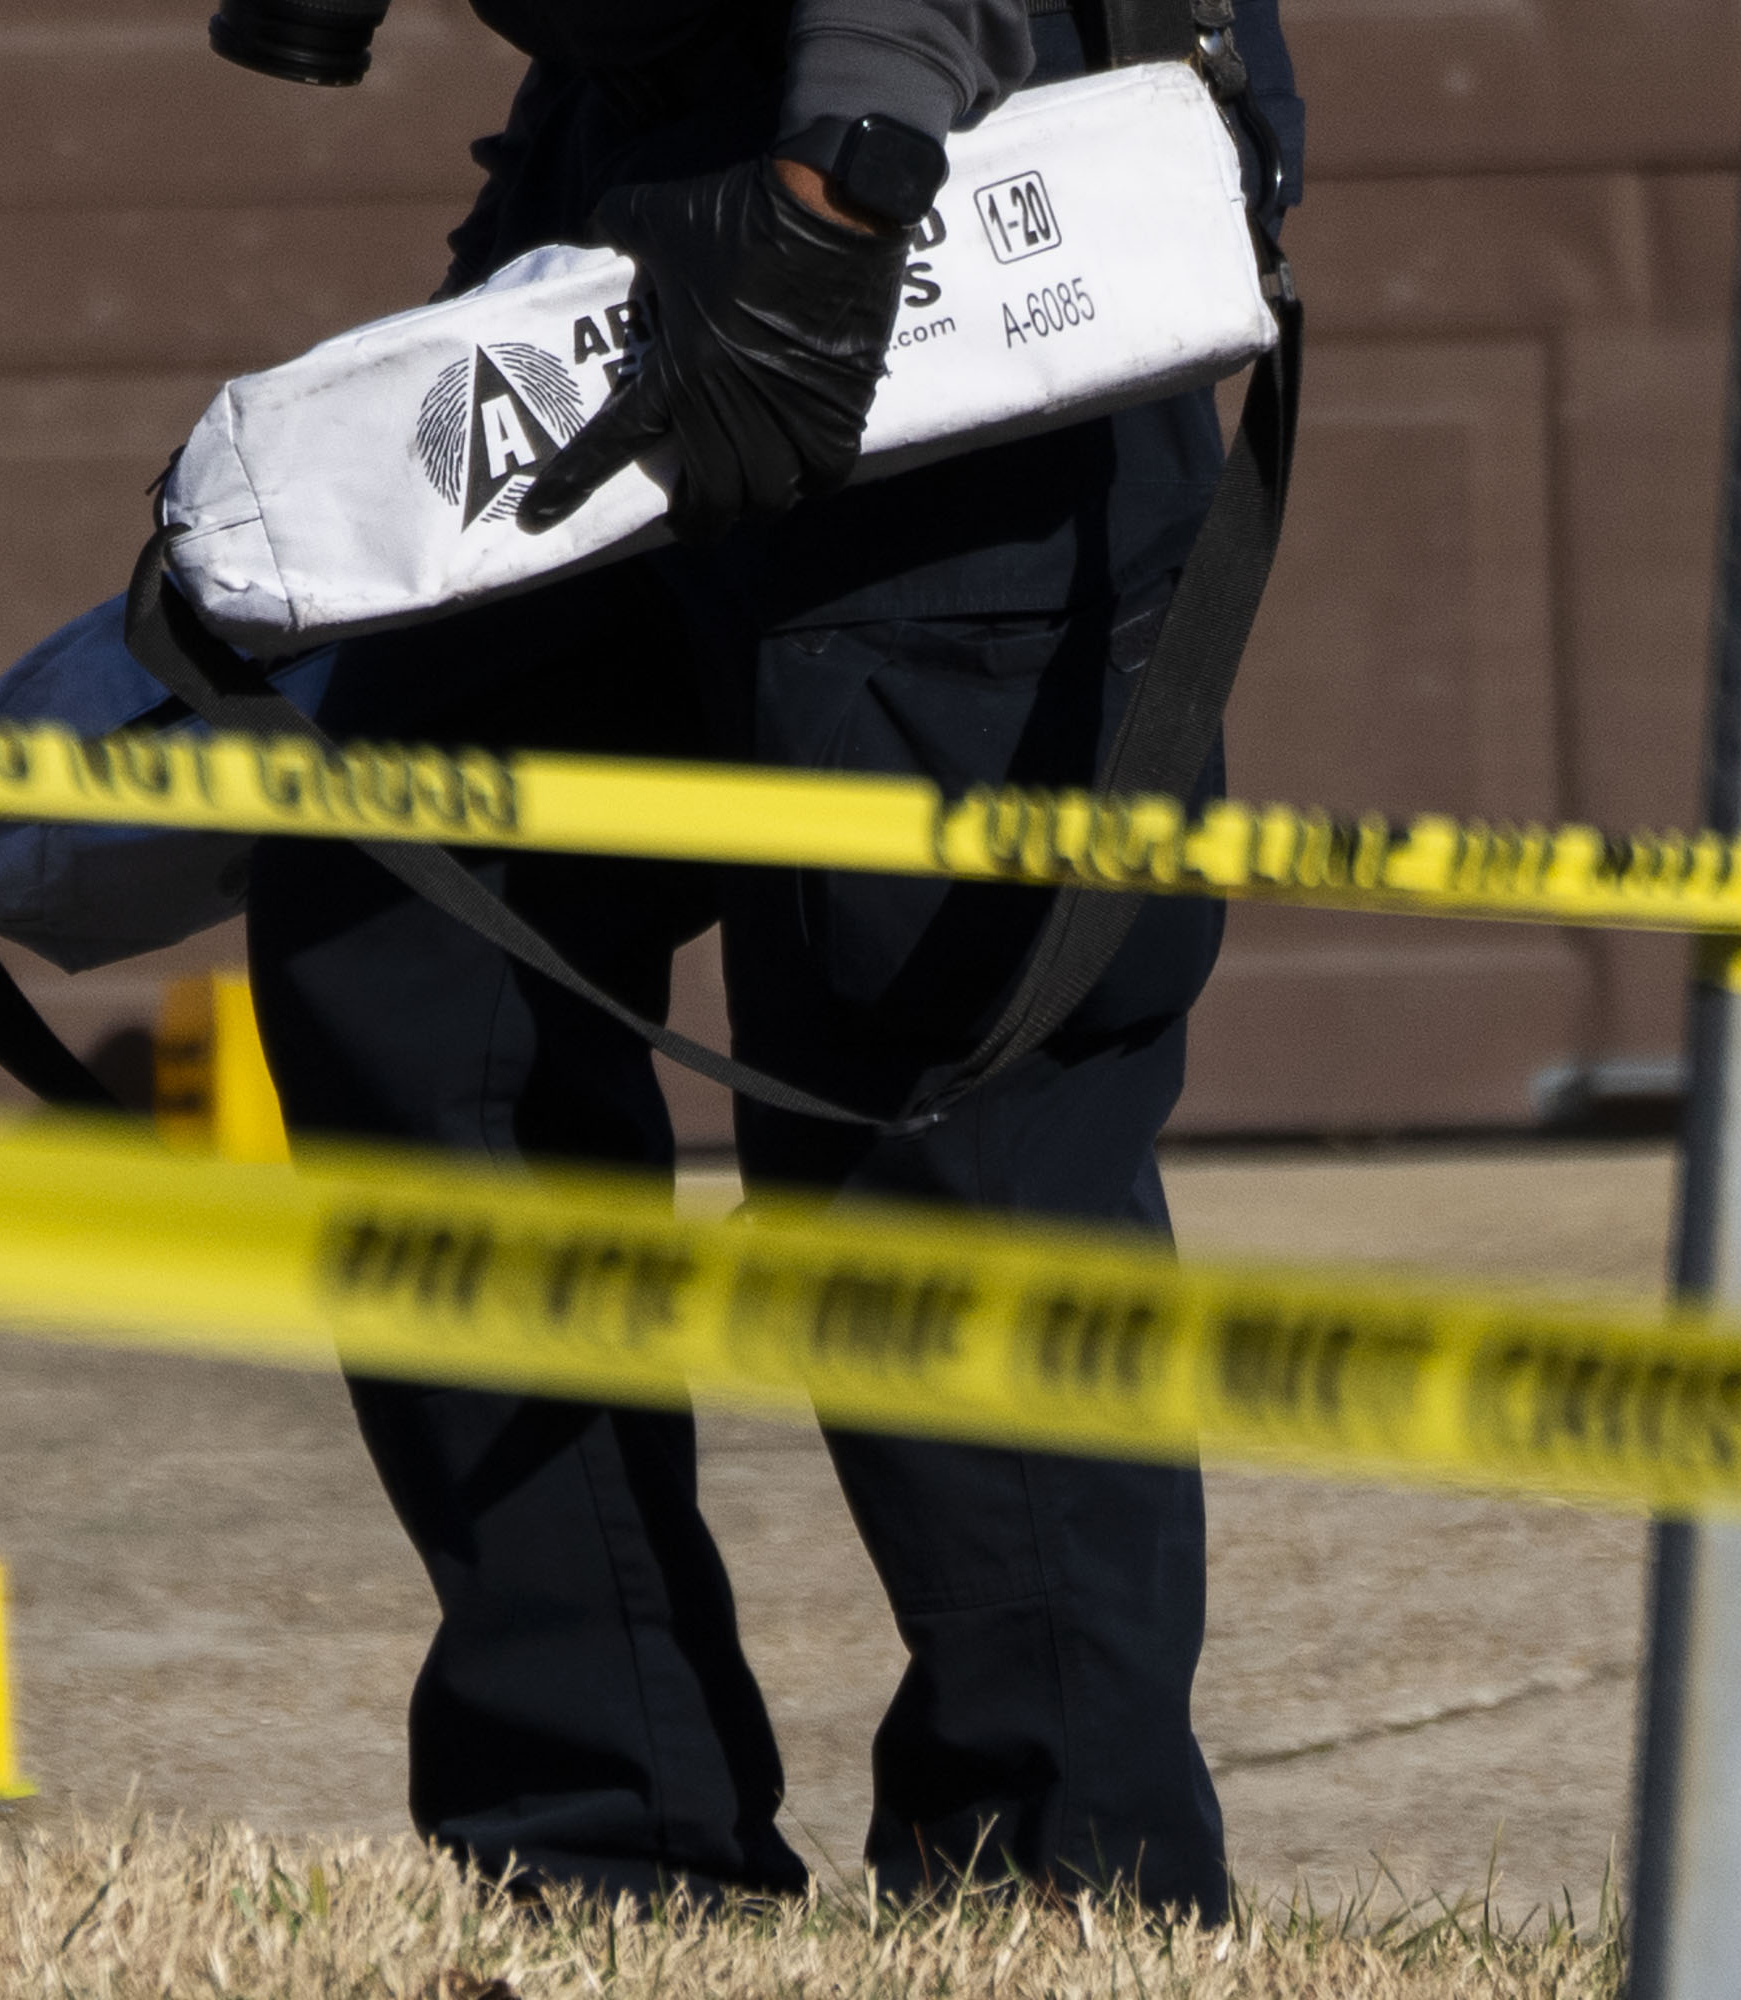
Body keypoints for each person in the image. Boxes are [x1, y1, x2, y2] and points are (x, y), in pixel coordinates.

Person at [238, 0, 1303, 1915]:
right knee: (409, 953)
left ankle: (1066, 1886)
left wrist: (838, 196)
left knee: (940, 1105)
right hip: (642, 202)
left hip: (933, 194)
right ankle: (601, 1849)